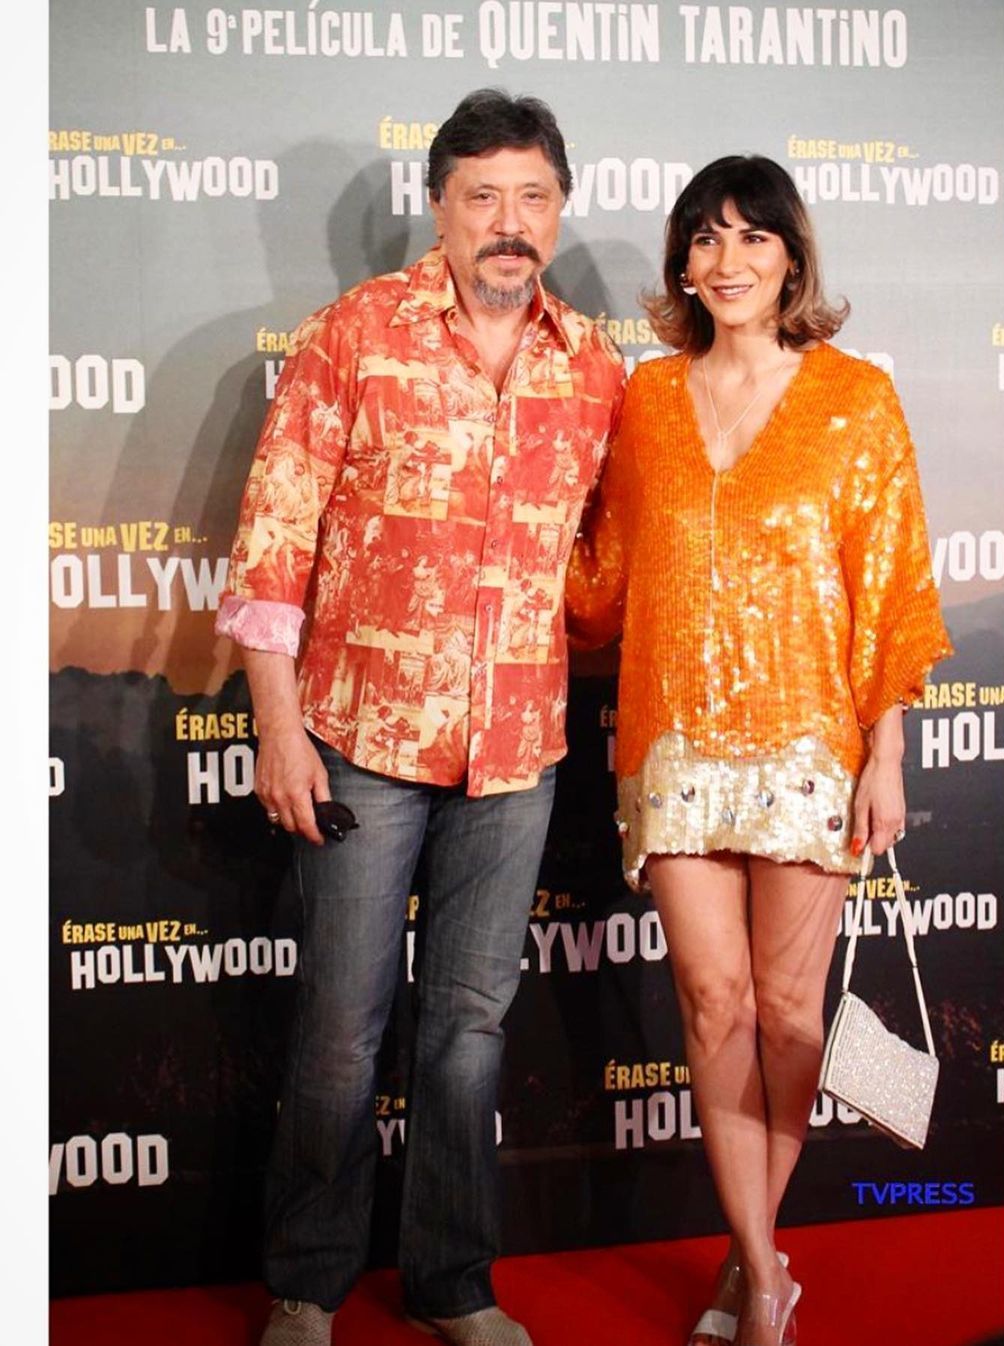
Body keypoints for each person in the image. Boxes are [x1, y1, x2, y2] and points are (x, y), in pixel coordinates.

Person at [215, 89, 624, 1346]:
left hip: (516, 752)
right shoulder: (355, 333)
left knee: (468, 1031)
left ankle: (455, 1281)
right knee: (343, 1028)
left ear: (560, 208)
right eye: (483, 196)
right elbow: (274, 538)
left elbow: (607, 562)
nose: (510, 222)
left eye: (533, 197)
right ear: (439, 207)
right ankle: (308, 1281)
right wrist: (278, 726)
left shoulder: (594, 366)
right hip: (360, 740)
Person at [566, 154, 951, 1346]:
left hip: (807, 749)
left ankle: (751, 1253)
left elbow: (889, 592)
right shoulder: (644, 401)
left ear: (792, 258)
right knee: (712, 999)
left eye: (753, 236)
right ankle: (767, 1286)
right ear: (682, 263)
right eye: (706, 237)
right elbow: (601, 581)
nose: (728, 260)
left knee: (789, 1017)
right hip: (674, 748)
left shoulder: (855, 400)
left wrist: (886, 754)